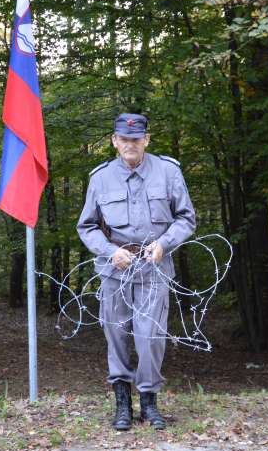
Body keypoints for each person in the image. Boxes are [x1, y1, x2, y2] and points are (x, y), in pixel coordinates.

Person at [76, 113, 196, 431]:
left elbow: (186, 218)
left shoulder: (168, 171)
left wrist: (164, 244)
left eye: (136, 138)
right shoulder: (100, 178)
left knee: (150, 337)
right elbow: (86, 226)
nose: (130, 144)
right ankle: (122, 406)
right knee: (115, 335)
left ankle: (149, 403)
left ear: (146, 139)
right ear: (115, 141)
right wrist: (109, 251)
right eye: (124, 139)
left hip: (154, 268)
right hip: (114, 270)